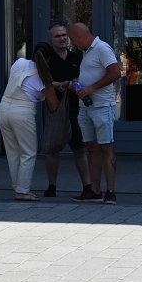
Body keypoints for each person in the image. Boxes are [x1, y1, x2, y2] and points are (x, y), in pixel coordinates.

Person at [69, 22, 123, 203]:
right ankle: (94, 190)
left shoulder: (101, 48)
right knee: (92, 148)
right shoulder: (86, 52)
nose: (74, 44)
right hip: (86, 106)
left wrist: (91, 88)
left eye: (74, 40)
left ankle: (111, 192)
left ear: (80, 37)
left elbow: (115, 72)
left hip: (101, 107)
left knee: (106, 147)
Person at [39, 24, 91, 198]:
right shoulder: (47, 60)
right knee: (52, 149)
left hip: (75, 110)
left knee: (80, 148)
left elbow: (83, 80)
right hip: (55, 110)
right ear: (51, 40)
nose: (62, 38)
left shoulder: (76, 57)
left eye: (64, 35)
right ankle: (52, 186)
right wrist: (58, 86)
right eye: (57, 36)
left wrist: (76, 86)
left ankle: (87, 187)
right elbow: (41, 83)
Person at [0, 48, 46, 200]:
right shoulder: (42, 78)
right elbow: (44, 95)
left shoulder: (19, 63)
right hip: (23, 110)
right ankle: (23, 190)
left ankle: (17, 186)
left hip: (4, 108)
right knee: (28, 152)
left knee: (12, 152)